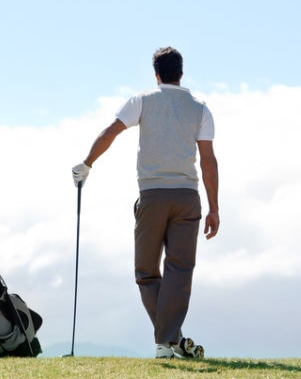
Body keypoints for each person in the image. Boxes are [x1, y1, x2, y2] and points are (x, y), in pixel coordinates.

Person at [71, 47, 219, 359]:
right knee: (180, 270)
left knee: (146, 272)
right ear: (181, 73)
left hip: (152, 196)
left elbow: (111, 132)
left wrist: (86, 164)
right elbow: (208, 161)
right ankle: (171, 341)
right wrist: (215, 208)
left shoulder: (142, 100)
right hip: (188, 197)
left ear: (156, 74)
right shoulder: (201, 108)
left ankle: (167, 343)